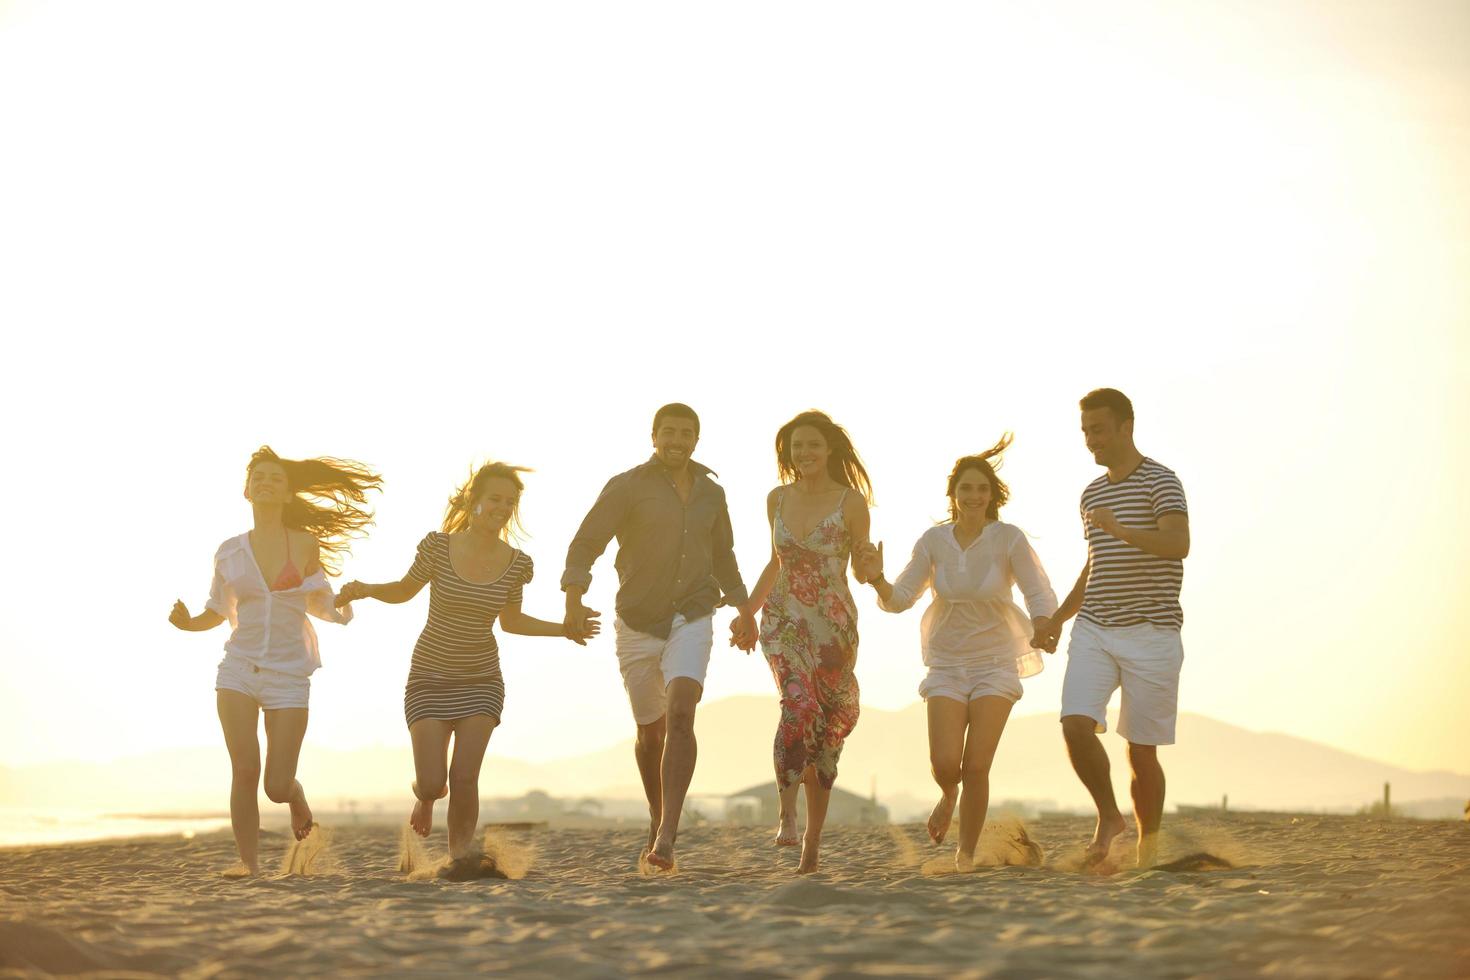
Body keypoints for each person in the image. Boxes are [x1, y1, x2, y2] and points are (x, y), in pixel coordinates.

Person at [338, 463, 597, 867]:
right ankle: (425, 797)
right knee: (432, 781)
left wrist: (563, 629)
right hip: (429, 677)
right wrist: (367, 589)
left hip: (481, 681)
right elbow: (406, 590)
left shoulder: (517, 563)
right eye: (495, 499)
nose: (502, 507)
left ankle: (459, 857)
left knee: (464, 778)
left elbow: (511, 622)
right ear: (475, 501)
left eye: (510, 502)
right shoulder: (438, 547)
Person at [169, 446, 381, 877]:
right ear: (247, 490)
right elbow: (216, 609)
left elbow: (318, 597)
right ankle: (249, 865)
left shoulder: (304, 543)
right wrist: (187, 623)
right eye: (258, 477)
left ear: (287, 494)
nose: (266, 482)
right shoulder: (229, 551)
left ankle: (296, 798)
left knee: (277, 785)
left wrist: (345, 601)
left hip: (289, 674)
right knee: (245, 769)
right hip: (239, 668)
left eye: (276, 479)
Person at [855, 436, 1057, 871]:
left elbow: (1037, 589)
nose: (973, 496)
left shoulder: (1008, 538)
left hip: (996, 663)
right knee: (947, 764)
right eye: (966, 488)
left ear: (992, 495)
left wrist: (1044, 624)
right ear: (953, 494)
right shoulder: (933, 542)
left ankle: (964, 855)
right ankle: (948, 795)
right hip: (946, 662)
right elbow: (900, 598)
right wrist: (876, 580)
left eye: (981, 489)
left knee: (977, 765)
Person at [562, 403, 749, 871]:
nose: (677, 441)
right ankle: (655, 814)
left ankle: (667, 834)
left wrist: (744, 608)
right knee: (651, 733)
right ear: (653, 435)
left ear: (697, 440)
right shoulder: (627, 486)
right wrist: (573, 597)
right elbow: (586, 543)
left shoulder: (712, 493)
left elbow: (723, 555)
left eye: (686, 433)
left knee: (682, 714)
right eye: (669, 432)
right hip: (638, 620)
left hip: (693, 615)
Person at [1034, 388, 1190, 869]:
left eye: (1098, 429)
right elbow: (1094, 565)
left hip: (1153, 632)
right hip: (1095, 628)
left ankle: (1149, 845)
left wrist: (1121, 528)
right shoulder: (1092, 493)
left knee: (1142, 753)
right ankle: (1108, 816)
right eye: (1085, 431)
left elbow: (1178, 544)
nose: (1090, 440)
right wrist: (1058, 617)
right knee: (1075, 724)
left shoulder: (1162, 482)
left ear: (1127, 427)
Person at [730, 410, 874, 874]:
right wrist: (747, 613)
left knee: (826, 735)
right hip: (784, 619)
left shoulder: (851, 502)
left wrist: (873, 566)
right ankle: (787, 810)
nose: (804, 454)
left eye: (812, 445)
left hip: (833, 627)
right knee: (799, 707)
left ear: (829, 448)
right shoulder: (776, 499)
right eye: (796, 447)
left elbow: (861, 566)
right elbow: (776, 562)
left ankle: (813, 844)